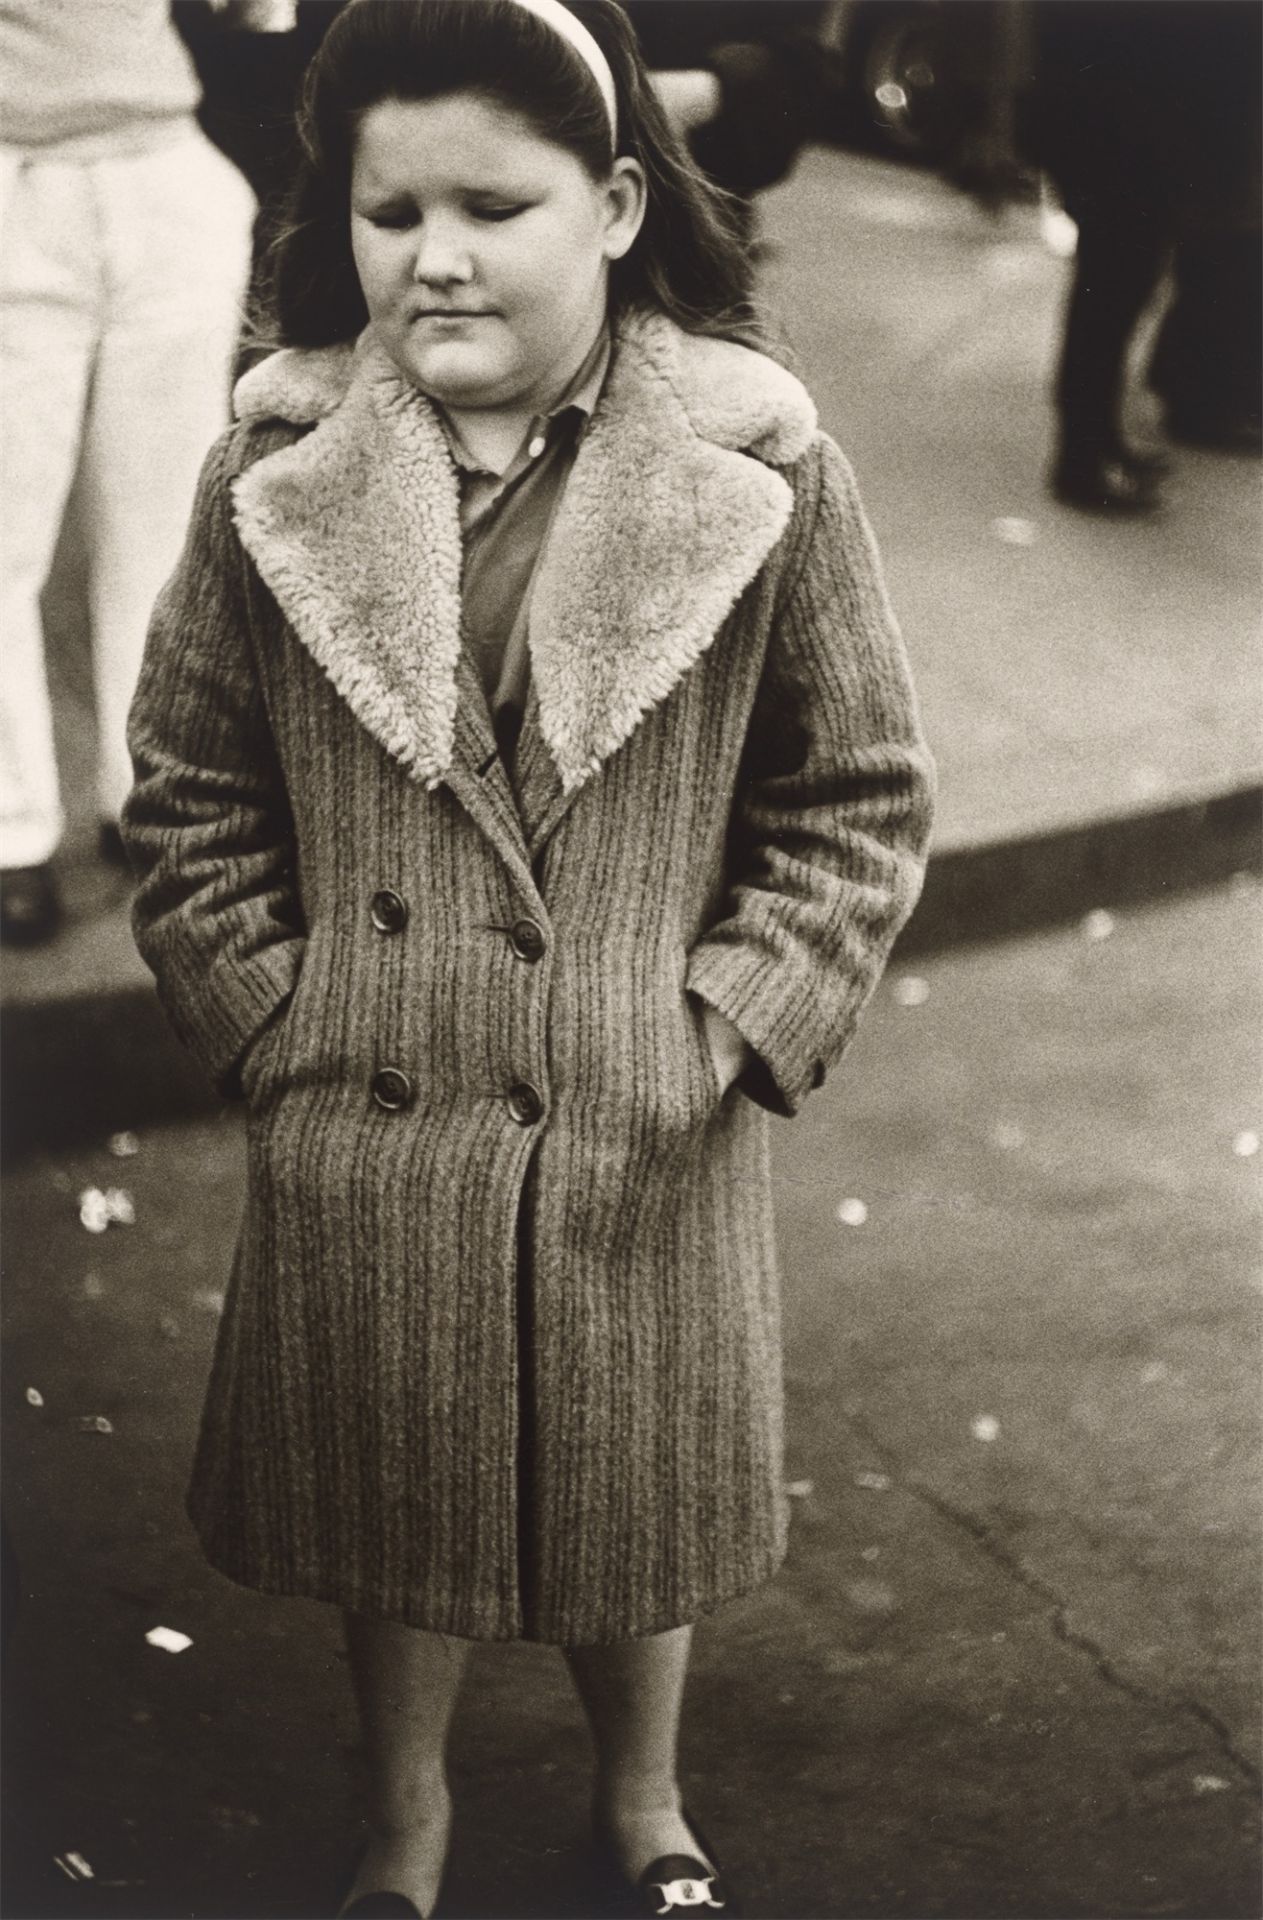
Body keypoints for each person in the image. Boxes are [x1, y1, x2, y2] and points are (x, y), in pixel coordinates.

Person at [121, 3, 935, 1915]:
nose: (437, 252)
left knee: (624, 1475)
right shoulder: (277, 467)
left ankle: (642, 1798)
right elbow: (189, 786)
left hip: (636, 1101)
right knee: (390, 1483)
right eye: (389, 207)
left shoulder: (759, 470)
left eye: (496, 201)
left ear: (622, 204)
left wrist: (726, 1032)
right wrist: (275, 1021)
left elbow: (858, 796)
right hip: (370, 1101)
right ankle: (401, 1808)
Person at [0, 0, 258, 945]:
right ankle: (12, 834)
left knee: (165, 527)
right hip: (12, 166)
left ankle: (148, 800)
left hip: (163, 164)